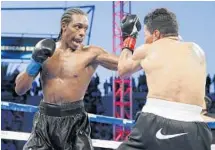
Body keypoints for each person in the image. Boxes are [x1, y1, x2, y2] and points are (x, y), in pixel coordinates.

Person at [15, 8, 119, 150]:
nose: (82, 33)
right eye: (78, 27)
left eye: (85, 28)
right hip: (45, 122)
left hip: (75, 124)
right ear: (64, 26)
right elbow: (20, 89)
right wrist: (35, 62)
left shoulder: (91, 54)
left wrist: (129, 40)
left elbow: (125, 66)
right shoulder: (46, 52)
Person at [117, 8, 212, 150]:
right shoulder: (197, 50)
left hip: (157, 123)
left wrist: (129, 38)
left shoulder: (149, 49)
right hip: (197, 130)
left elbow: (123, 70)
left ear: (156, 34)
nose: (145, 39)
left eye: (145, 35)